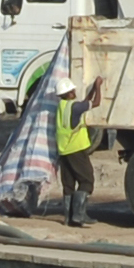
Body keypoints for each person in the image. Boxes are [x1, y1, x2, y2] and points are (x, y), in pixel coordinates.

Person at [48, 71, 97, 230]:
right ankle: (79, 215)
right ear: (69, 93)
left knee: (68, 184)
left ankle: (68, 218)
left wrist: (93, 89)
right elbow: (95, 103)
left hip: (64, 151)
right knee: (86, 180)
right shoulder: (74, 107)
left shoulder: (63, 106)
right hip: (76, 149)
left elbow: (85, 102)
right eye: (73, 90)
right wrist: (99, 88)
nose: (75, 92)